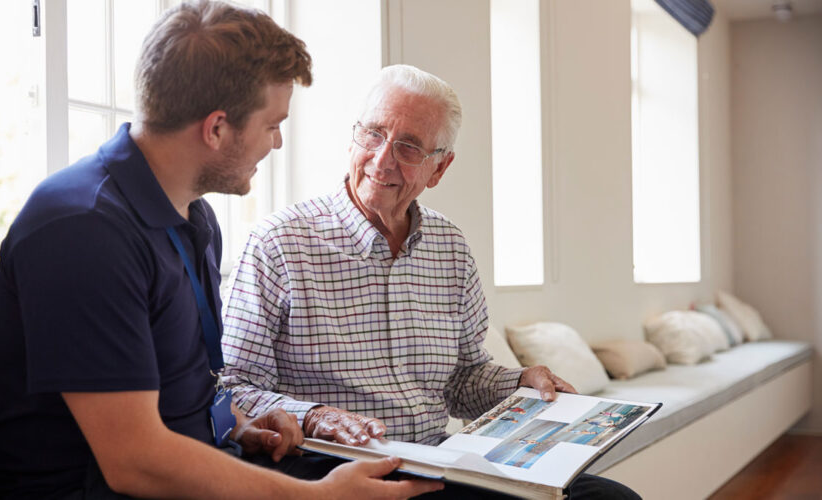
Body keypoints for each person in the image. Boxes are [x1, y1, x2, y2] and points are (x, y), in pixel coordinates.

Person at [0, 3, 441, 499]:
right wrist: (323, 498)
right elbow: (134, 462)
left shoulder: (193, 217)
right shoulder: (82, 230)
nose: (279, 142)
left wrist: (238, 425)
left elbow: (186, 387)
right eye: (272, 125)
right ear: (217, 128)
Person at [222, 64, 639, 499]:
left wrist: (519, 382)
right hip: (330, 465)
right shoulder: (277, 242)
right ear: (352, 137)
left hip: (437, 460)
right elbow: (232, 387)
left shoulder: (450, 247)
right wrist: (313, 415)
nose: (382, 159)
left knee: (609, 498)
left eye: (408, 147)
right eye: (374, 133)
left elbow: (462, 380)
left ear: (439, 169)